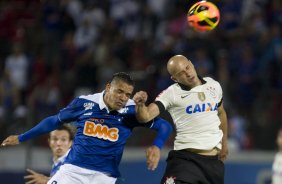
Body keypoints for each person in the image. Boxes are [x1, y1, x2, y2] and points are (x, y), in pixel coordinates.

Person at [1, 72, 172, 184]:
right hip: (73, 171)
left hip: (104, 177)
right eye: (119, 91)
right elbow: (54, 121)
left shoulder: (132, 110)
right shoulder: (85, 103)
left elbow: (164, 125)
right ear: (108, 87)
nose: (123, 98)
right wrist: (21, 137)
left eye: (127, 94)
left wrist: (157, 146)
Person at [133, 55, 228, 184]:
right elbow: (146, 116)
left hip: (213, 164)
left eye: (187, 67)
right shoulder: (171, 93)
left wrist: (225, 143)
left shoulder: (214, 85)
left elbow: (221, 113)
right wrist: (140, 105)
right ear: (174, 78)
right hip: (185, 161)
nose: (188, 73)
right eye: (181, 73)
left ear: (191, 63)